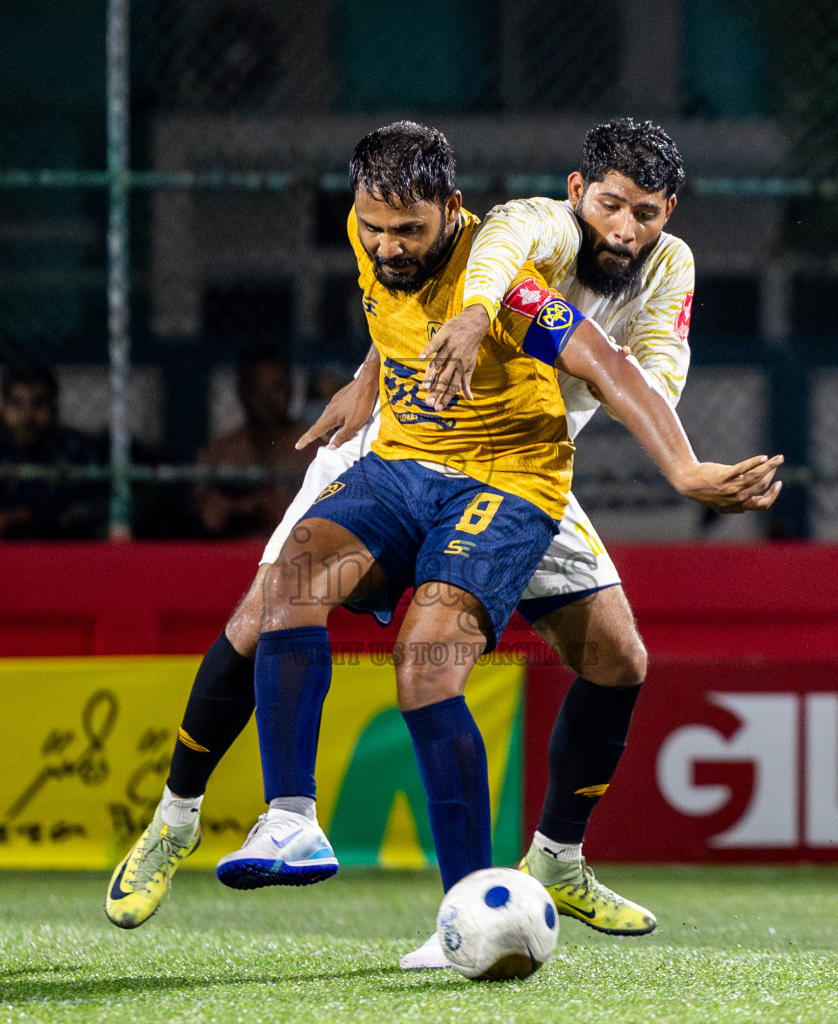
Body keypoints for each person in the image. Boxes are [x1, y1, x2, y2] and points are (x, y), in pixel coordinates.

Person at [105, 122, 782, 962]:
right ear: (578, 193)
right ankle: (188, 818)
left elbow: (634, 369)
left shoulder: (647, 268)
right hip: (404, 439)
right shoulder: (503, 226)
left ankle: (554, 860)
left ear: (666, 211)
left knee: (616, 658)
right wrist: (375, 375)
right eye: (609, 205)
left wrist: (673, 459)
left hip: (523, 462)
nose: (622, 228)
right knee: (271, 604)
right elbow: (431, 282)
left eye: (643, 212)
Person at [0, 365, 106, 541]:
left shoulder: (71, 447)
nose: (27, 416)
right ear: (3, 408)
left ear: (54, 410)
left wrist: (12, 518)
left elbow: (73, 500)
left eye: (38, 404)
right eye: (17, 404)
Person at [196, 352, 317, 538]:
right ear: (242, 392)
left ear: (291, 390)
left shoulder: (316, 451)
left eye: (276, 387)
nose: (267, 399)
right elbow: (201, 516)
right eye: (257, 388)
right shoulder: (219, 453)